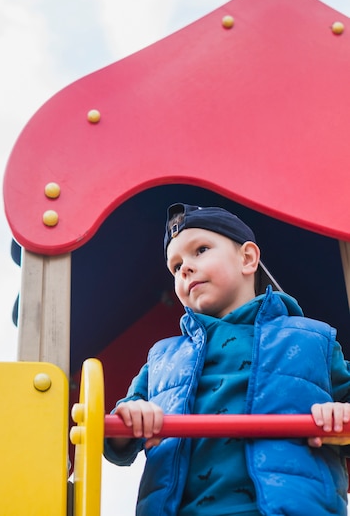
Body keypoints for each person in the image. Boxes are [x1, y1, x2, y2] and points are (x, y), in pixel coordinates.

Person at [104, 203, 350, 516]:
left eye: (201, 250)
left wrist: (340, 415)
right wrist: (132, 416)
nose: (185, 269)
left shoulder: (312, 340)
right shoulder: (163, 358)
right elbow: (117, 438)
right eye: (176, 267)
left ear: (247, 259)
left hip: (292, 506)